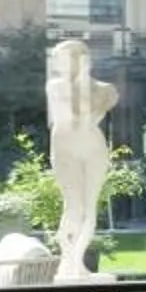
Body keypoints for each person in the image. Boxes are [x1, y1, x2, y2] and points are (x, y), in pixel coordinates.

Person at [46, 39, 118, 277]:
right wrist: (83, 88)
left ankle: (77, 262)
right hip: (65, 146)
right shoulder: (56, 87)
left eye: (61, 58)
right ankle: (67, 259)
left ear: (80, 61)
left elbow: (87, 122)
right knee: (73, 206)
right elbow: (67, 119)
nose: (56, 63)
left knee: (88, 207)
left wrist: (85, 84)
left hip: (91, 147)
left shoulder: (106, 90)